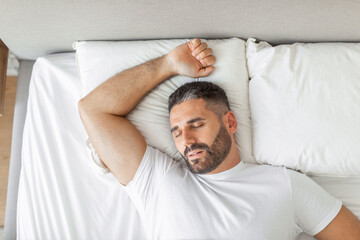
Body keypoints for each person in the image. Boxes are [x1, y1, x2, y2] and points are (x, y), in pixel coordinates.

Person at [78, 39, 360, 239]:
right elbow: (94, 110)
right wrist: (167, 64)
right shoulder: (156, 179)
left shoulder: (284, 185)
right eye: (176, 132)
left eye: (196, 124)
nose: (186, 140)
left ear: (230, 122)